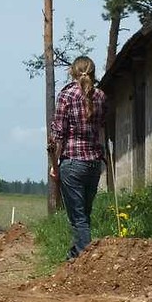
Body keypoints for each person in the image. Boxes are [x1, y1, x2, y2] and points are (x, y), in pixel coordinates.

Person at [49, 56, 107, 261]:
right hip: (94, 163)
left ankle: (84, 260)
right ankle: (74, 256)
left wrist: (54, 164)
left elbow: (58, 133)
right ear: (92, 72)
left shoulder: (66, 95)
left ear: (73, 72)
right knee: (85, 214)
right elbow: (102, 128)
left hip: (72, 162)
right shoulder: (100, 96)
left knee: (78, 217)